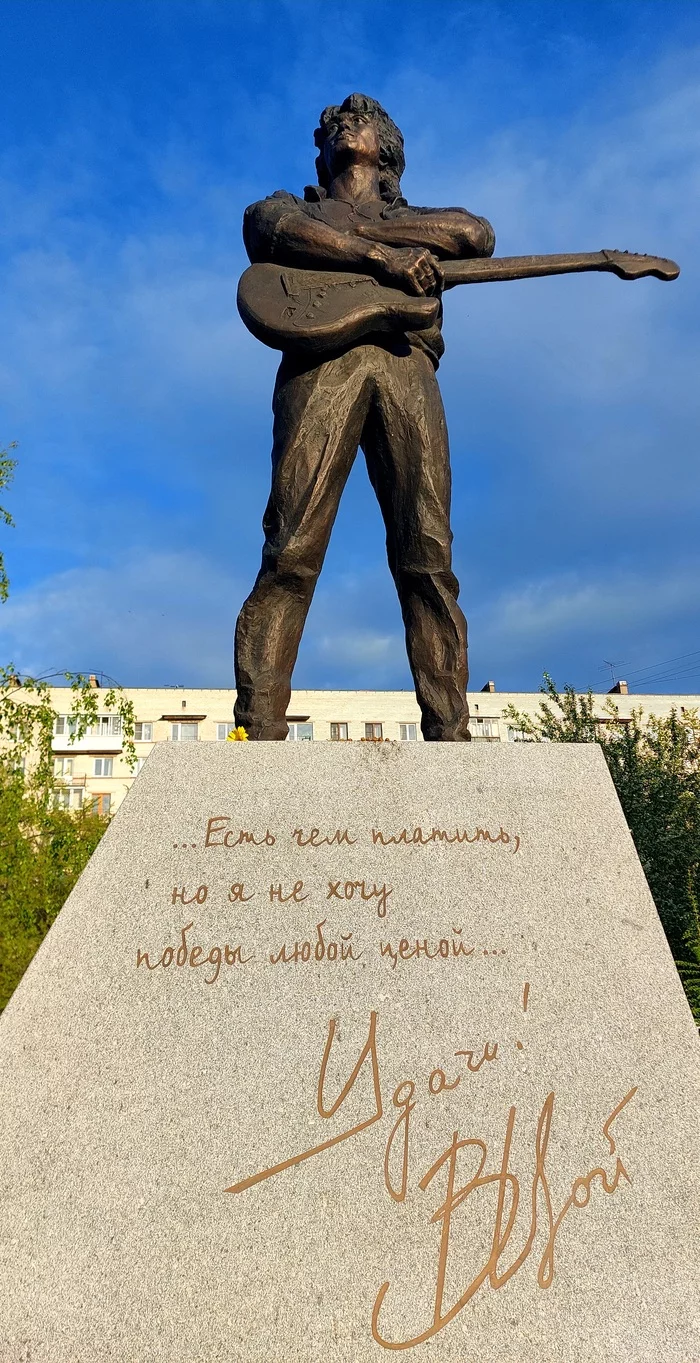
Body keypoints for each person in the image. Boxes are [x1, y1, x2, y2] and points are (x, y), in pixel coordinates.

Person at [234, 92, 495, 740]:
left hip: (407, 365)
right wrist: (380, 257)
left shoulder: (424, 220)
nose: (349, 120)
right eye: (337, 122)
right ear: (321, 152)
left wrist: (364, 233)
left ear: (389, 149)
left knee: (427, 554)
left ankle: (450, 730)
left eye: (364, 117)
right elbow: (269, 228)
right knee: (291, 547)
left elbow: (475, 236)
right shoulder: (294, 208)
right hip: (321, 364)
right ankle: (259, 730)